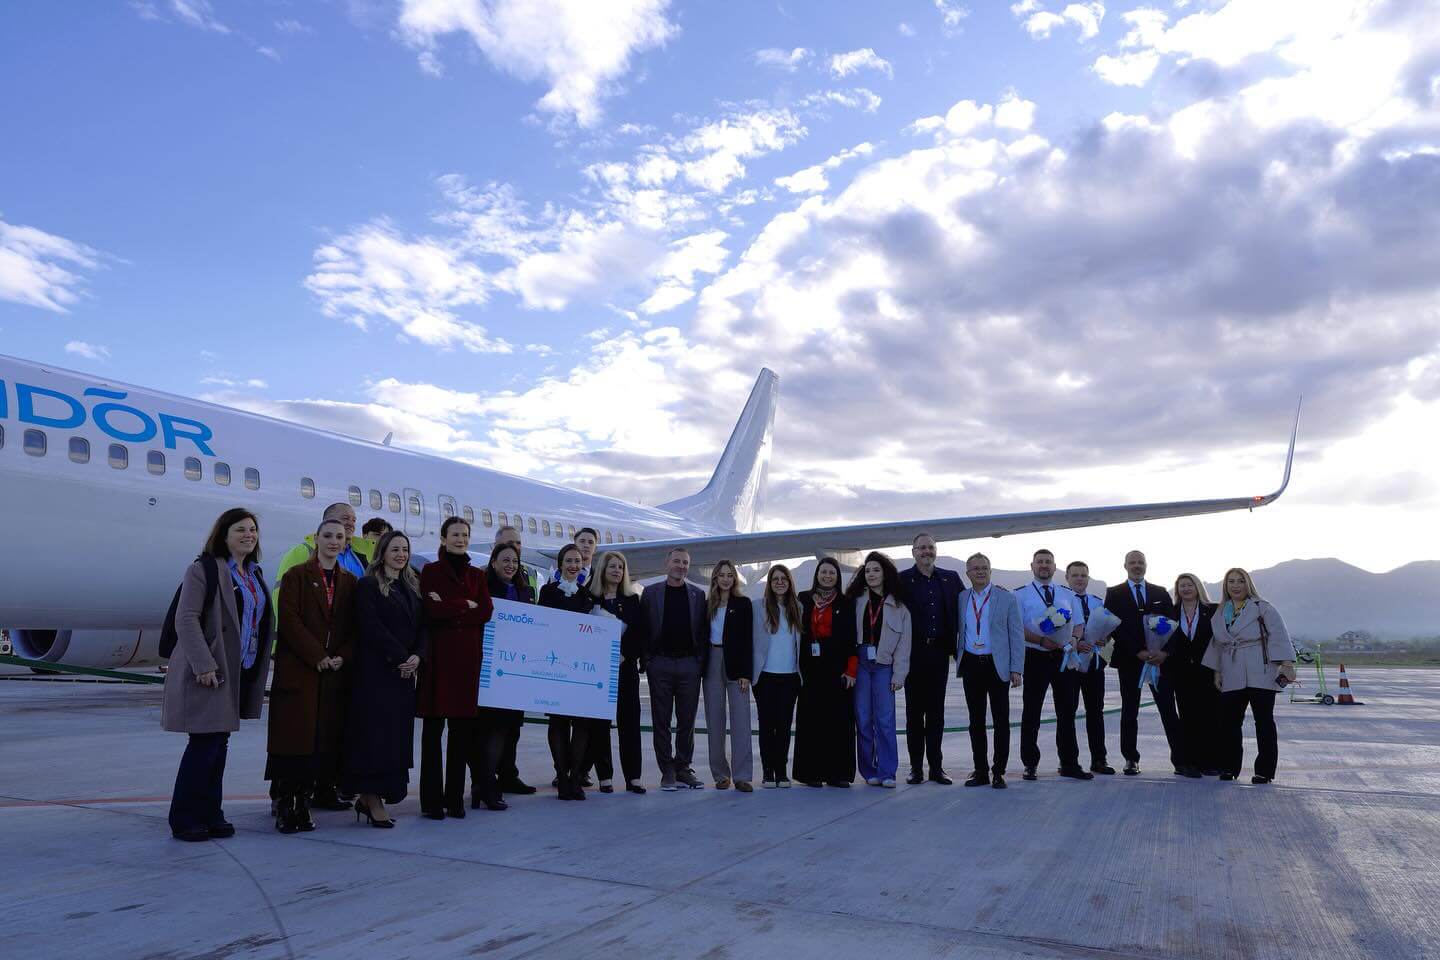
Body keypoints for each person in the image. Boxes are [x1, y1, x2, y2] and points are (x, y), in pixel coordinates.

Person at [162, 508, 274, 842]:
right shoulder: (204, 569)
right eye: (240, 529)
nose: (248, 535)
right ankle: (185, 817)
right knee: (204, 743)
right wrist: (204, 664)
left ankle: (211, 812)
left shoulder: (254, 574)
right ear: (223, 535)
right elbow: (187, 618)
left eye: (252, 530)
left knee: (218, 743)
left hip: (238, 669)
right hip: (209, 670)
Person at [273, 502, 373, 808]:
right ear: (318, 535)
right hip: (302, 663)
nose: (335, 539)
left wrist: (343, 655)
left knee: (327, 733)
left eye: (342, 534)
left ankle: (323, 790)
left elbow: (354, 623)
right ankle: (286, 799)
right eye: (330, 533)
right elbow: (287, 616)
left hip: (336, 667)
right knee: (295, 735)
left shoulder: (352, 571)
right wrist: (316, 654)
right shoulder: (297, 566)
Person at [342, 530, 426, 827]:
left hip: (404, 677)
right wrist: (401, 656)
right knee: (373, 738)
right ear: (382, 552)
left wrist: (418, 656)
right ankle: (371, 796)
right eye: (395, 550)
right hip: (376, 675)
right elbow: (371, 627)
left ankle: (374, 796)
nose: (401, 555)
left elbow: (424, 627)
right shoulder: (368, 586)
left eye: (405, 549)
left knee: (395, 739)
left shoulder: (413, 585)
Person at [417, 516, 494, 819]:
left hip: (466, 662)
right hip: (439, 662)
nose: (461, 539)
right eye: (455, 534)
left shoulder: (477, 575)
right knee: (433, 734)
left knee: (461, 735)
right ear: (444, 537)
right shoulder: (431, 571)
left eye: (465, 535)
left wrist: (453, 606)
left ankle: (455, 799)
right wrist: (466, 605)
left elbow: (486, 611)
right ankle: (432, 801)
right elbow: (432, 609)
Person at [1202, 568, 1296, 784]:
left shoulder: (1263, 608)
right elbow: (1217, 642)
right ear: (1226, 586)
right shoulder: (1220, 612)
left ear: (1248, 584)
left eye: (1240, 581)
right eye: (1231, 582)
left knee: (1263, 722)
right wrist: (1217, 671)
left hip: (1260, 669)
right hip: (1231, 668)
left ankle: (1264, 770)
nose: (1235, 586)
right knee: (1229, 723)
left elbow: (1279, 635)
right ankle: (1229, 767)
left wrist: (1287, 664)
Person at [1102, 550, 1179, 776]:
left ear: (1146, 565)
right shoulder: (1114, 593)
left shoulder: (1160, 592)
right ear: (1124, 565)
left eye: (1140, 562)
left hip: (1159, 662)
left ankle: (1180, 758)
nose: (1137, 566)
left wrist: (1163, 653)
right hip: (1130, 660)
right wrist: (1138, 651)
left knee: (1168, 709)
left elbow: (1173, 624)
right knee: (1129, 711)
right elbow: (1113, 626)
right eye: (1132, 562)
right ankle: (1130, 759)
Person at [1017, 548, 1090, 782]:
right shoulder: (1020, 595)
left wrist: (1074, 640)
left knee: (1067, 711)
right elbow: (1018, 628)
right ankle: (1030, 764)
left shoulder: (1066, 594)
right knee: (1032, 712)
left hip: (1064, 657)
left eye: (1048, 562)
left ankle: (1069, 763)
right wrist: (1041, 640)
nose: (1044, 565)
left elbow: (1078, 624)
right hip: (1035, 656)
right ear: (1032, 566)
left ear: (1055, 567)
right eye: (1040, 562)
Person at [641, 546, 708, 791]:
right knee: (661, 720)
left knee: (687, 721)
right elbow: (645, 628)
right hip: (660, 664)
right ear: (667, 564)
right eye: (677, 561)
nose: (681, 566)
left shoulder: (697, 595)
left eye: (685, 563)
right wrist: (648, 660)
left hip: (689, 665)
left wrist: (699, 662)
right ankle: (666, 769)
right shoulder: (651, 593)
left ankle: (682, 767)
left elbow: (702, 630)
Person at [899, 534, 963, 785]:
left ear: (936, 551)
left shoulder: (950, 578)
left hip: (939, 655)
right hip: (913, 655)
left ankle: (936, 768)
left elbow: (967, 607)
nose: (926, 551)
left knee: (936, 714)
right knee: (914, 714)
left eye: (930, 547)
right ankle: (916, 768)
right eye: (921, 548)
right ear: (913, 552)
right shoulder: (902, 580)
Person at [955, 553, 1024, 788]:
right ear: (968, 573)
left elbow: (1016, 635)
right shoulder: (962, 598)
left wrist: (1016, 668)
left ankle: (998, 771)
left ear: (991, 571)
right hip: (972, 664)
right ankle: (981, 770)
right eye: (975, 569)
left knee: (1001, 720)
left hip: (997, 665)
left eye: (984, 568)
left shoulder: (1006, 599)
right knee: (976, 721)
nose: (980, 572)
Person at [846, 552, 912, 788]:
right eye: (867, 571)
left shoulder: (899, 607)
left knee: (885, 721)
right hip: (861, 664)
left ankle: (887, 772)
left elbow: (904, 646)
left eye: (876, 570)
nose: (871, 574)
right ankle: (868, 770)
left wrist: (899, 675)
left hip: (885, 666)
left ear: (885, 573)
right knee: (863, 719)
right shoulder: (855, 600)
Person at [539, 544, 597, 800]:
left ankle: (575, 777)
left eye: (578, 561)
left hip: (579, 669)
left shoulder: (587, 595)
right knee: (558, 723)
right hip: (555, 667)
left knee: (582, 723)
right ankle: (562, 776)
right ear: (561, 564)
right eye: (569, 561)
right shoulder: (548, 591)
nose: (574, 565)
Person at [793, 558, 857, 788]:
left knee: (838, 722)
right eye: (823, 572)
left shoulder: (845, 602)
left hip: (837, 670)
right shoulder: (804, 599)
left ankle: (837, 774)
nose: (827, 576)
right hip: (810, 669)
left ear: (837, 576)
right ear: (816, 575)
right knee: (811, 721)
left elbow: (851, 640)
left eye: (832, 572)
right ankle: (810, 773)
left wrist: (851, 671)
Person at [590, 550, 648, 794]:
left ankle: (633, 777)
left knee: (630, 722)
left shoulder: (632, 600)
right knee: (600, 723)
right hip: (597, 671)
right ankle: (605, 776)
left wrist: (626, 655)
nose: (616, 571)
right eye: (612, 566)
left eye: (620, 567)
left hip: (625, 669)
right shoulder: (589, 598)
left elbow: (640, 633)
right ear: (602, 569)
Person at [490, 525, 538, 797]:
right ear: (494, 553)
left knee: (512, 728)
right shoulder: (484, 583)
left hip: (517, 666)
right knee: (491, 729)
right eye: (507, 547)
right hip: (494, 665)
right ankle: (485, 780)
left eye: (517, 546)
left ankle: (508, 775)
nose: (513, 553)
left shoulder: (524, 586)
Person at [702, 560, 754, 791]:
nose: (725, 579)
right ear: (714, 578)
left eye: (729, 575)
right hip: (712, 661)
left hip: (736, 665)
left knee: (741, 720)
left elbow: (747, 641)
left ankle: (742, 775)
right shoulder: (707, 604)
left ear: (735, 579)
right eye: (721, 575)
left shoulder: (743, 604)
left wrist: (745, 672)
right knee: (714, 720)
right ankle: (720, 774)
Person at [752, 564, 803, 789]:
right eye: (775, 579)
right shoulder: (757, 608)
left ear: (790, 582)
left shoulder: (798, 608)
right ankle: (767, 771)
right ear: (769, 584)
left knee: (783, 726)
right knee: (766, 726)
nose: (780, 582)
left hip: (790, 677)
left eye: (784, 579)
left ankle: (781, 771)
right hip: (765, 677)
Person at [1064, 561, 1115, 775]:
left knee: (1096, 712)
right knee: (1067, 713)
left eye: (1083, 575)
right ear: (1067, 578)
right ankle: (1068, 761)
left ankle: (1099, 759)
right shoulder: (1061, 600)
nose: (1079, 579)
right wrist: (1075, 641)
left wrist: (1105, 639)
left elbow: (1109, 630)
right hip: (1070, 664)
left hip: (1094, 664)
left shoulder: (1097, 602)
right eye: (1075, 575)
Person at [1172, 572, 1220, 777]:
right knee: (1187, 717)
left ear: (1198, 587)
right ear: (1177, 590)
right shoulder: (1170, 612)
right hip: (1181, 673)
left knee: (1210, 716)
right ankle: (1189, 762)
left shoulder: (1214, 610)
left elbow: (1220, 640)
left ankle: (1209, 761)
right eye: (1182, 585)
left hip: (1207, 670)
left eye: (1190, 585)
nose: (1186, 589)